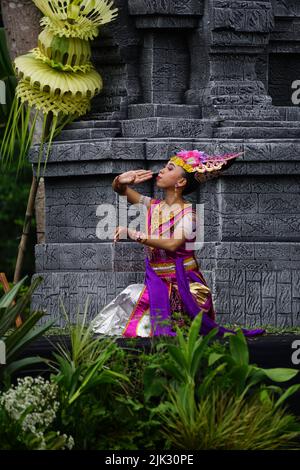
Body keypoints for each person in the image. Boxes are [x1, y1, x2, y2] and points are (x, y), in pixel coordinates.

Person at [91, 149, 265, 338]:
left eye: (169, 168)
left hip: (184, 287)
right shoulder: (154, 206)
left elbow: (173, 244)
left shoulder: (189, 215)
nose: (162, 171)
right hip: (158, 282)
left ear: (180, 182)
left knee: (143, 307)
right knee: (130, 296)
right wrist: (120, 181)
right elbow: (122, 192)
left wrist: (133, 234)